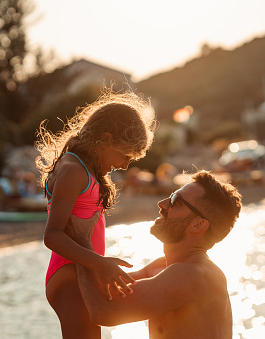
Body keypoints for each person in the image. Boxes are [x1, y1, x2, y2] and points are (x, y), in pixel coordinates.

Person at [35, 90, 156, 338]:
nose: (124, 165)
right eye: (125, 155)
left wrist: (98, 266)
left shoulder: (84, 169)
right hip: (70, 273)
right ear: (105, 138)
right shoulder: (72, 170)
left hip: (81, 270)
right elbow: (53, 235)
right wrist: (100, 264)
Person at [67, 170, 242, 338]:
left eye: (176, 201)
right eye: (171, 195)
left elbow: (104, 312)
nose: (163, 203)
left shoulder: (193, 275)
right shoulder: (162, 267)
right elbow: (103, 290)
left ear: (198, 225)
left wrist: (81, 240)